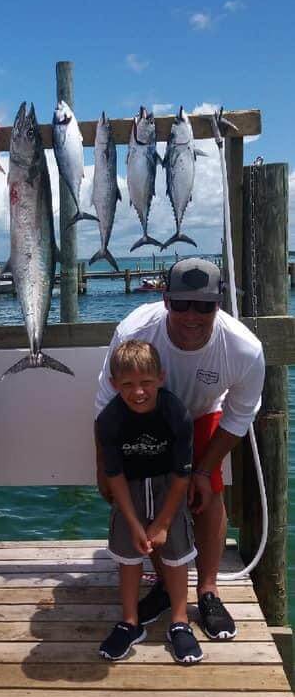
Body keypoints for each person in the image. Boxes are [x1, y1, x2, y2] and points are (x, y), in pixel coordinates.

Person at [95, 258, 265, 640]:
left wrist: (203, 471)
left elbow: (239, 416)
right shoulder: (135, 329)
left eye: (204, 305)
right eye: (182, 304)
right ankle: (165, 580)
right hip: (143, 415)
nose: (193, 315)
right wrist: (101, 465)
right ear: (165, 299)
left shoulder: (243, 348)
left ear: (218, 304)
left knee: (209, 493)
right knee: (147, 497)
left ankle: (207, 589)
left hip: (202, 412)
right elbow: (105, 401)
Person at [95, 340, 202, 664]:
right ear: (114, 385)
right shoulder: (108, 420)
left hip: (169, 488)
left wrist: (164, 523)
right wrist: (133, 522)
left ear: (161, 378)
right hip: (129, 489)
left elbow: (183, 475)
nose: (138, 392)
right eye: (127, 384)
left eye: (146, 383)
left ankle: (180, 621)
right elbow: (113, 476)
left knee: (176, 557)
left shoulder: (176, 413)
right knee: (128, 558)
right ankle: (130, 622)